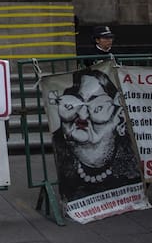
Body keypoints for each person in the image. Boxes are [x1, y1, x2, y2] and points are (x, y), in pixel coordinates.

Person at [48, 69, 142, 202]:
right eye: (73, 104)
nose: (82, 115)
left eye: (97, 106)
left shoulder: (130, 166)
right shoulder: (63, 153)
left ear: (119, 119)